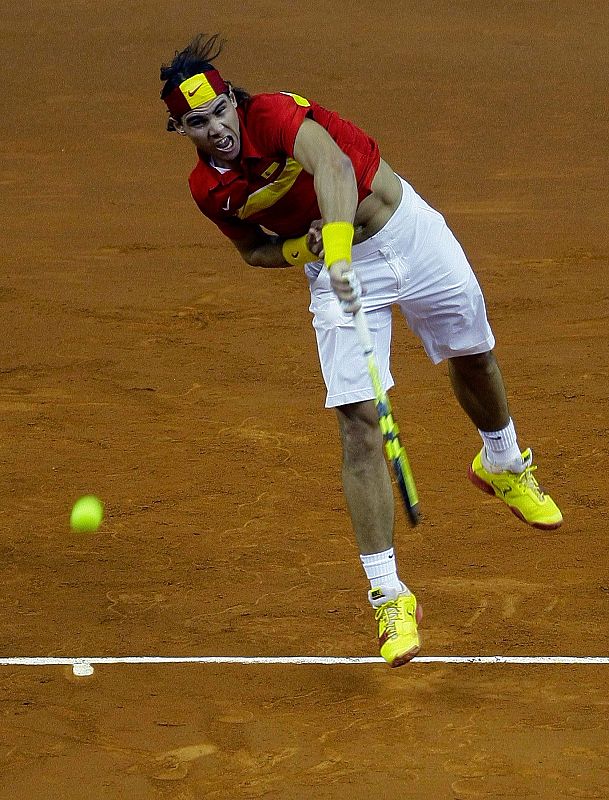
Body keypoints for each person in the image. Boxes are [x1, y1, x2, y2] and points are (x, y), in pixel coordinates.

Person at [159, 33, 562, 668]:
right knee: (358, 423)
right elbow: (253, 250)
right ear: (179, 129)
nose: (216, 130)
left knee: (474, 354)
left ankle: (503, 463)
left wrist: (338, 246)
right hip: (340, 271)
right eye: (196, 124)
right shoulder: (209, 189)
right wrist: (306, 252)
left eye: (219, 113)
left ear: (233, 102)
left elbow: (337, 170)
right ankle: (389, 596)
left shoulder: (271, 113)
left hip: (407, 232)